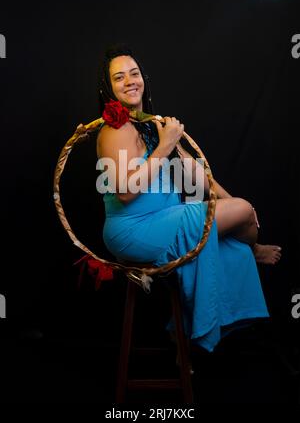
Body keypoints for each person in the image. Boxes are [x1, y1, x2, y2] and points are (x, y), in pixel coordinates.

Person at [96, 43, 282, 352]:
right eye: (119, 77)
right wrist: (165, 146)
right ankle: (253, 248)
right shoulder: (114, 131)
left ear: (144, 79)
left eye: (134, 73)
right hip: (134, 228)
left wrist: (234, 206)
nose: (130, 81)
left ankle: (181, 326)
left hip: (168, 218)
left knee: (240, 225)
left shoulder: (152, 126)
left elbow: (198, 178)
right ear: (108, 87)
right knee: (243, 214)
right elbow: (126, 192)